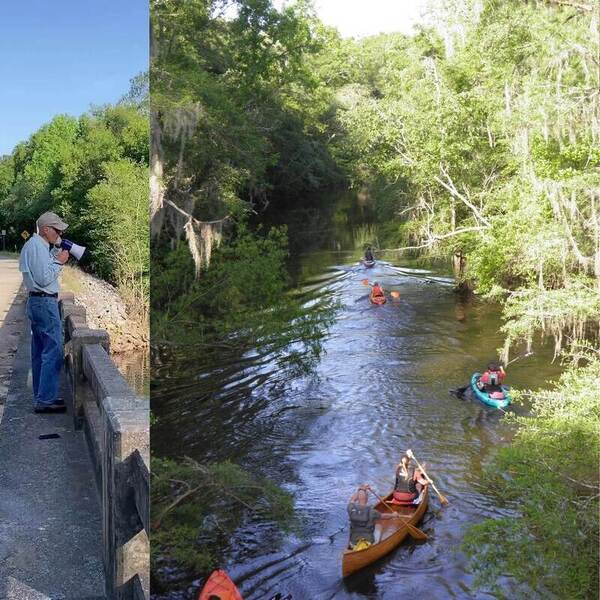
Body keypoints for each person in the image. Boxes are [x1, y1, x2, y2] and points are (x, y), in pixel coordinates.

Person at [19, 212, 70, 413]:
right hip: (44, 302)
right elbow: (42, 278)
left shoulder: (36, 246)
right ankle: (45, 400)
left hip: (37, 302)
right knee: (53, 350)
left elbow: (41, 273)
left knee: (40, 350)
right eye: (57, 230)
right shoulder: (37, 247)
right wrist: (59, 262)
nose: (59, 233)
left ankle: (43, 396)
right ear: (46, 229)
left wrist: (54, 257)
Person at [347, 484, 401, 550]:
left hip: (353, 544)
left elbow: (352, 499)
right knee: (378, 526)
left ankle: (351, 549)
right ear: (367, 499)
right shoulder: (372, 512)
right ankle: (373, 548)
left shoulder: (351, 509)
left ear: (358, 498)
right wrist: (393, 515)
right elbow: (384, 516)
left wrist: (360, 490)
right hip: (368, 543)